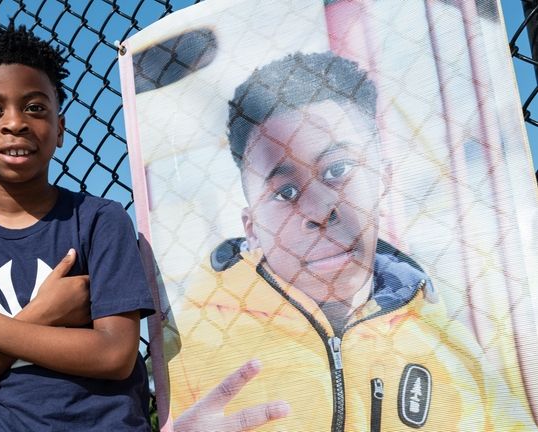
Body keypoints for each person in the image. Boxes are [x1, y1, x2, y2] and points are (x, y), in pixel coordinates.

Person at [167, 51, 535, 431]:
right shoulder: (187, 348)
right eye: (286, 192)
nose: (318, 210)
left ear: (383, 179)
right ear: (251, 226)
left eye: (338, 170)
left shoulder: (453, 344)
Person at [0, 23, 155, 431]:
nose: (16, 123)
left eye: (35, 107)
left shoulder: (99, 219)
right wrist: (43, 313)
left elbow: (115, 355)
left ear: (59, 130)